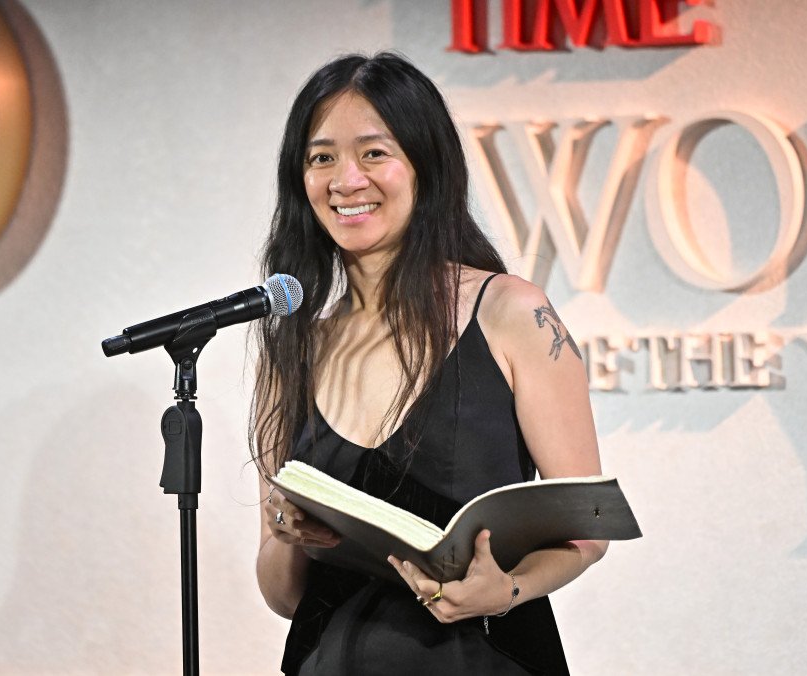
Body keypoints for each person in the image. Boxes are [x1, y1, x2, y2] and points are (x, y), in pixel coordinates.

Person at [250, 52, 606, 676]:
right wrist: (285, 536)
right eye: (321, 157)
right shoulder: (293, 346)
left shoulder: (511, 312)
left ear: (425, 164)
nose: (346, 180)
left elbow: (589, 531)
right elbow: (283, 597)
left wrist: (508, 590)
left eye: (374, 153)